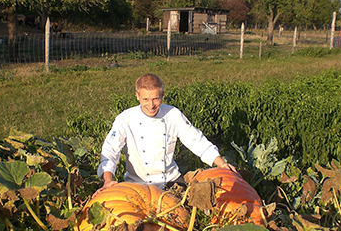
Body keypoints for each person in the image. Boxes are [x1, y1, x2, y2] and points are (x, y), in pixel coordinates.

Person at [96, 73, 236, 192]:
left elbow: (196, 141)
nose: (151, 105)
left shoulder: (173, 114)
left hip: (170, 181)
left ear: (162, 94)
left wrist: (221, 164)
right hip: (136, 184)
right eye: (145, 99)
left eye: (156, 99)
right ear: (137, 96)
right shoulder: (125, 118)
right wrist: (108, 180)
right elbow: (110, 151)